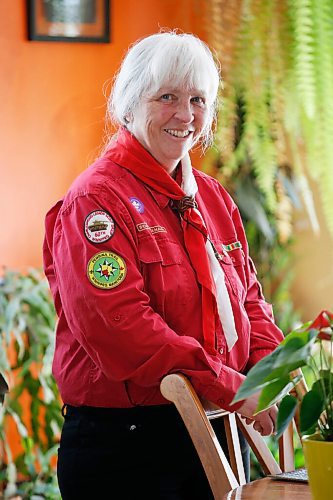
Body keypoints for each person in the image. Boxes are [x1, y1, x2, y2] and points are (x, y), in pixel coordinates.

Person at [43, 31, 284, 499]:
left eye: (197, 99)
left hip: (214, 434)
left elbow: (249, 300)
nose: (185, 115)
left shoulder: (212, 197)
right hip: (127, 447)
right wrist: (232, 387)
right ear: (129, 105)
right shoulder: (95, 201)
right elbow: (123, 328)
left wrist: (270, 374)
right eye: (167, 97)